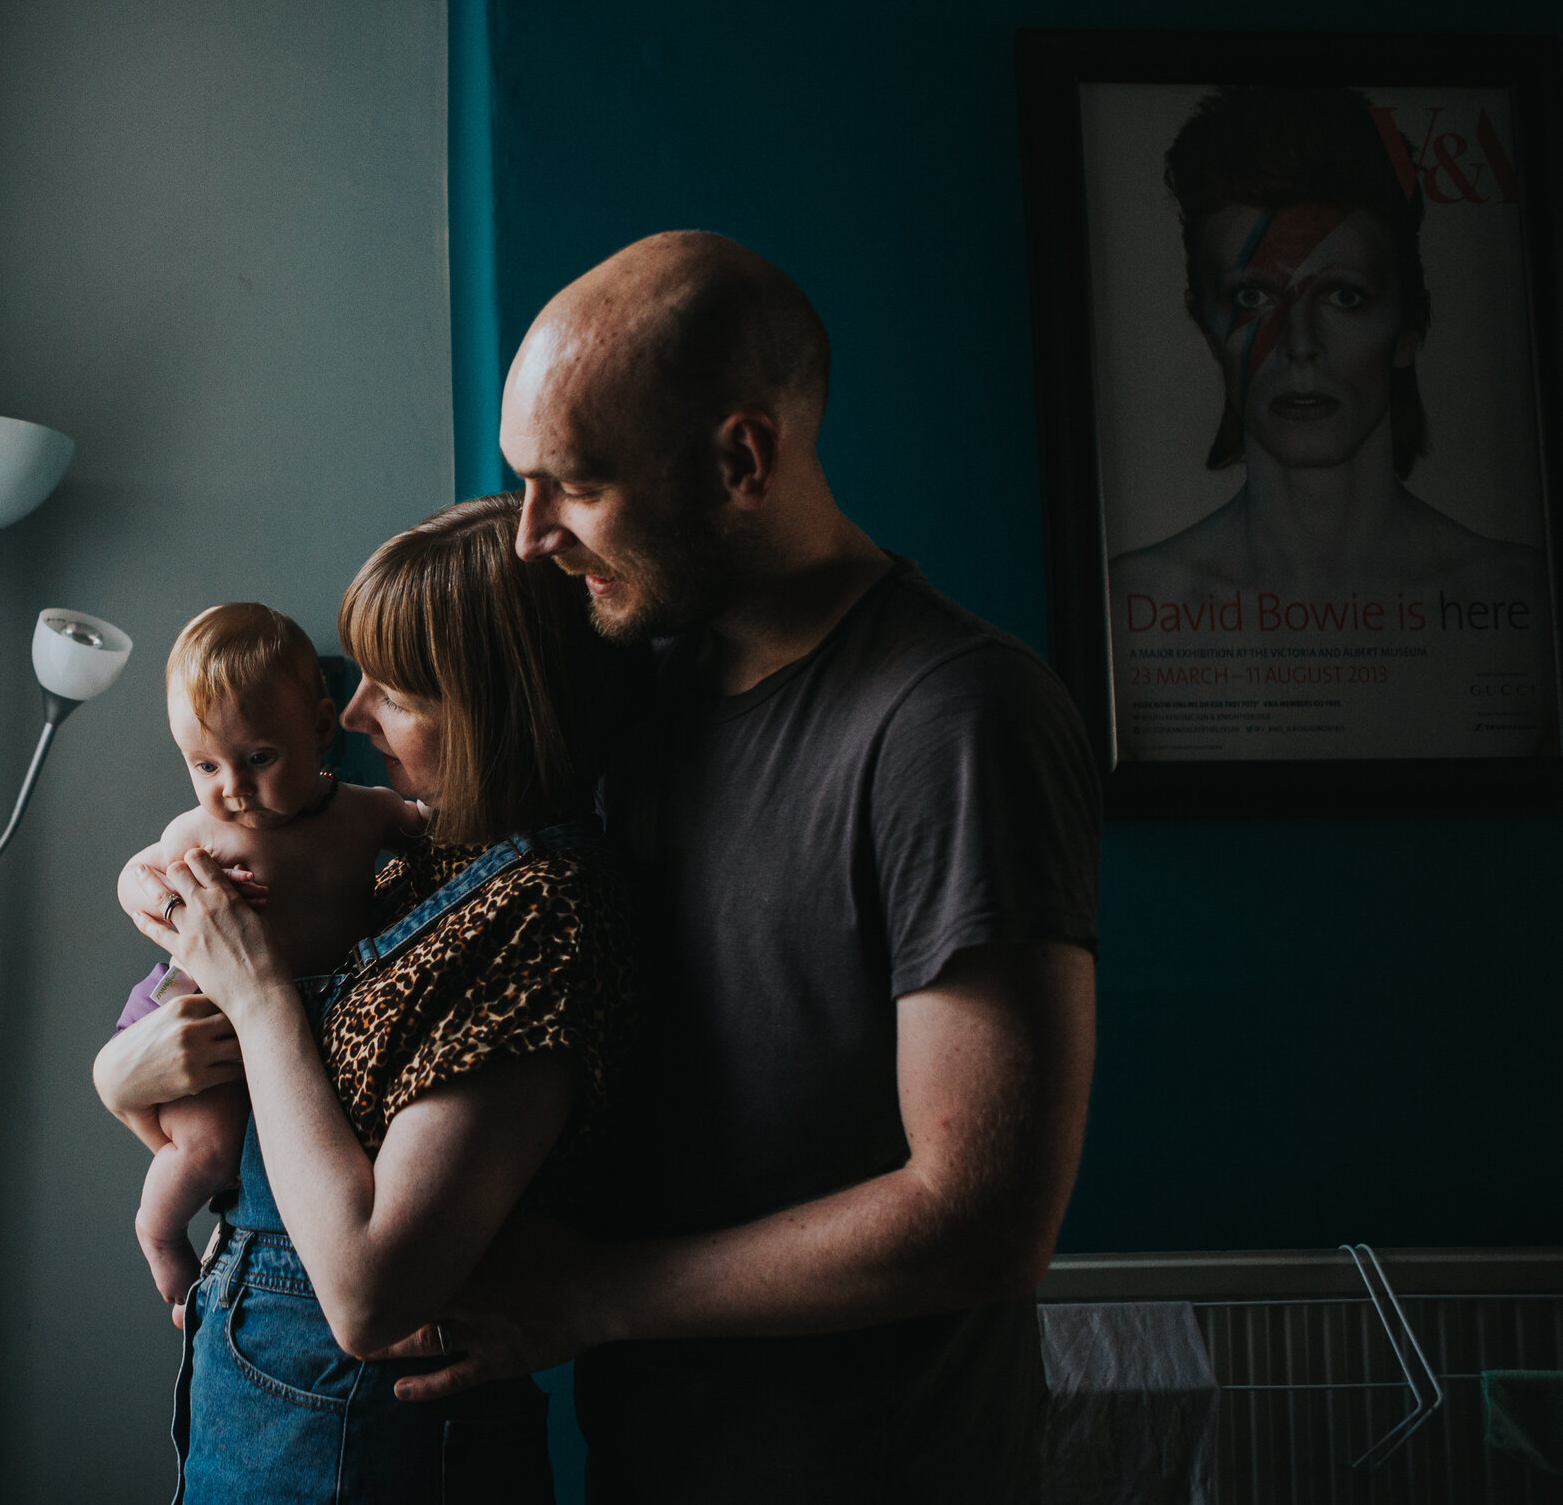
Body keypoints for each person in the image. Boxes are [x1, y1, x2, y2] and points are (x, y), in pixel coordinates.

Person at [381, 231, 1101, 1502]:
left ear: (741, 458)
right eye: (523, 484)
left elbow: (982, 1216)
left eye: (577, 485)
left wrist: (592, 1297)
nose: (530, 536)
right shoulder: (639, 690)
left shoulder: (952, 718)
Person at [92, 497, 633, 1504]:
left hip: (352, 1426)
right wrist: (121, 1074)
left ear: (490, 703)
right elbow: (279, 1125)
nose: (349, 714)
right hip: (263, 1373)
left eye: (397, 688)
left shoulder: (541, 907)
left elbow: (368, 1294)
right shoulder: (428, 869)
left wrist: (254, 997)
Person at [1108, 85, 1553, 758]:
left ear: (1408, 323)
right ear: (1204, 321)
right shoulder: (1126, 614)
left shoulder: (1525, 603)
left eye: (1345, 295)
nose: (1300, 344)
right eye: (1254, 297)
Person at [109, 602, 427, 1303]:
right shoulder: (200, 830)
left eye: (258, 757)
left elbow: (428, 827)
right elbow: (137, 872)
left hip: (289, 1019)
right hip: (199, 1017)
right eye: (204, 763)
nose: (232, 785)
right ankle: (161, 1232)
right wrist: (153, 896)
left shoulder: (364, 812)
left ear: (319, 729)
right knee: (212, 1151)